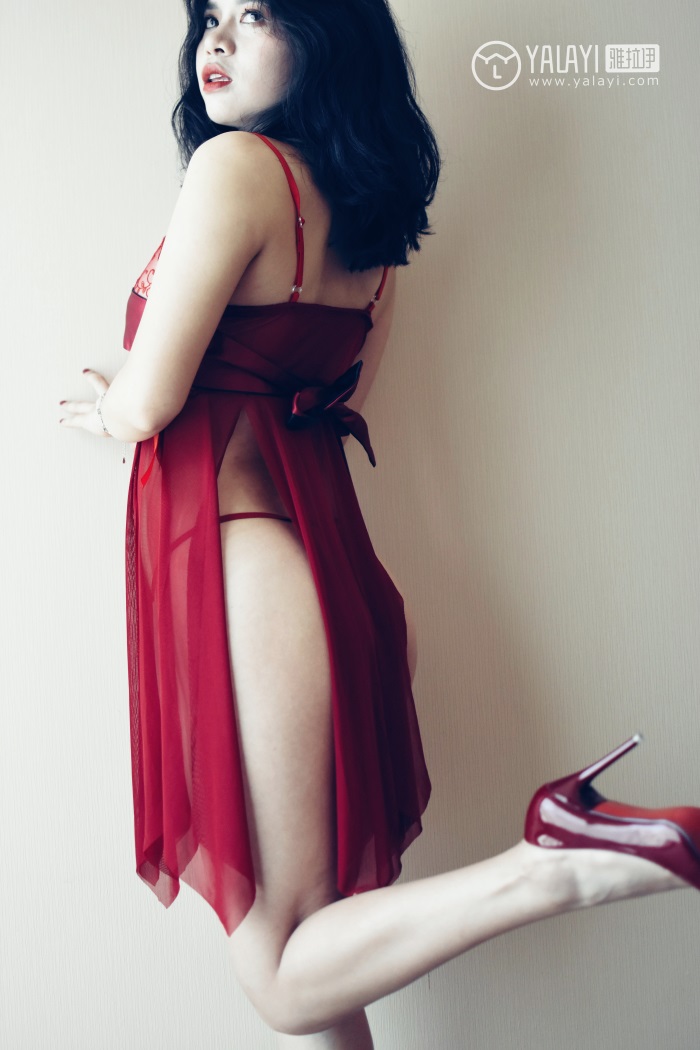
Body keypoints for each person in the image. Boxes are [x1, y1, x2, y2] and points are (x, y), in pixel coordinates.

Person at [58, 0, 700, 1046]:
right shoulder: (366, 228)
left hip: (246, 570)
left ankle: (555, 861)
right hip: (327, 576)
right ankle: (558, 855)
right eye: (209, 15)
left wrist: (112, 404)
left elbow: (150, 401)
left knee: (281, 980)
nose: (215, 41)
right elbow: (343, 396)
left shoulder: (234, 169)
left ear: (326, 35)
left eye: (256, 14)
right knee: (326, 962)